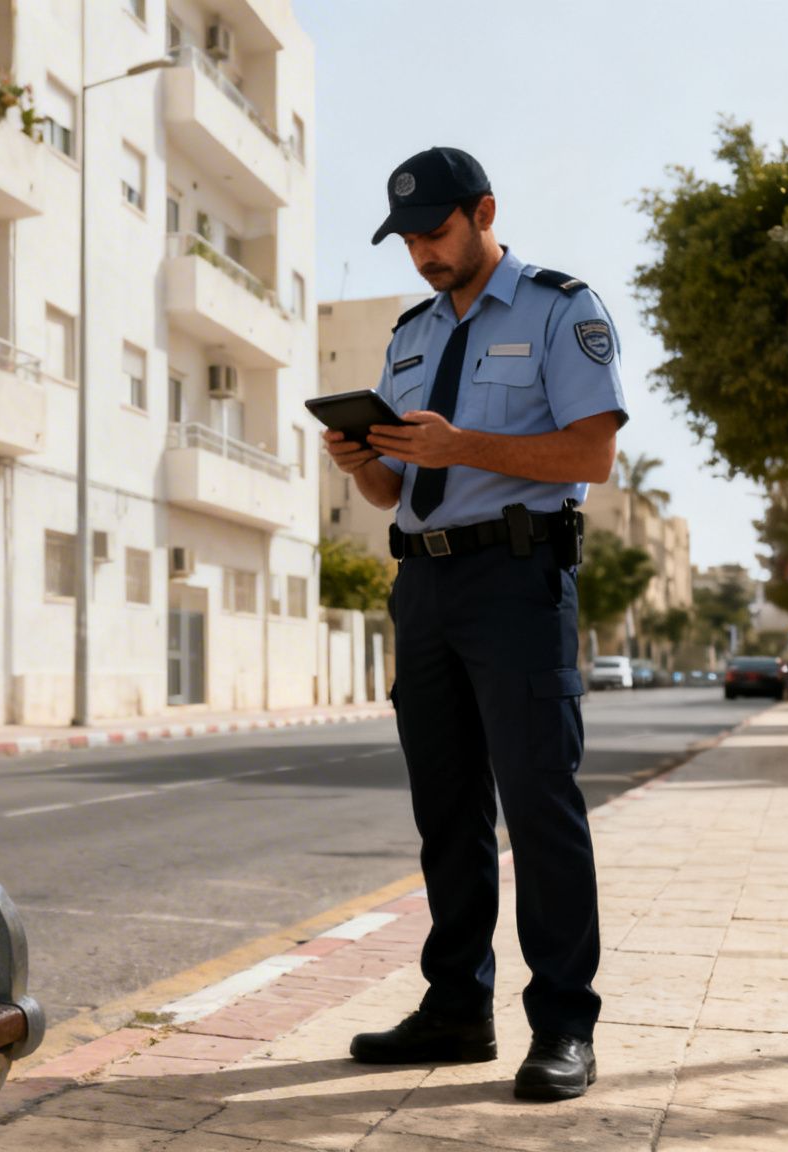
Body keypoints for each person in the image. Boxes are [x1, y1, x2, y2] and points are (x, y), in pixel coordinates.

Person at [323, 146, 627, 1102]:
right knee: (446, 813)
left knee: (539, 805)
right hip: (424, 589)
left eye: (436, 232)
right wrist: (359, 459)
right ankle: (456, 1010)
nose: (421, 253)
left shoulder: (560, 307)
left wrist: (465, 445)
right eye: (408, 239)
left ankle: (565, 1026)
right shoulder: (408, 335)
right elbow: (392, 492)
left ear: (484, 211)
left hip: (518, 576)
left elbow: (593, 453)